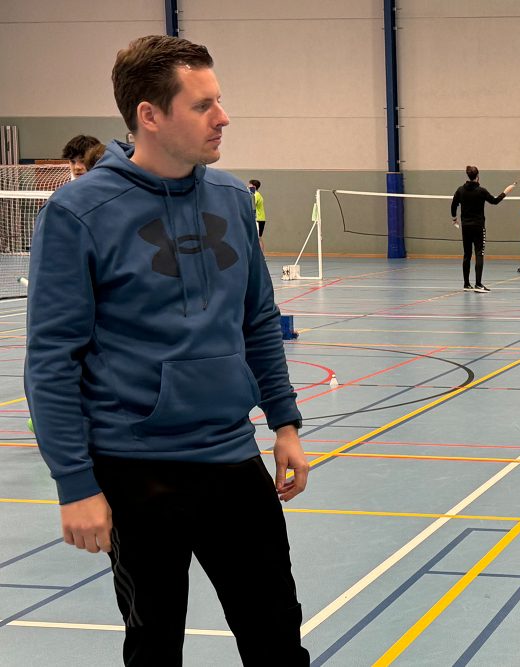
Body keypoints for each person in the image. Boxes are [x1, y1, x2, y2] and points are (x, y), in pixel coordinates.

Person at [25, 35, 310, 665]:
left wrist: (284, 422)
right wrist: (75, 485)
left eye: (220, 101)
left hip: (233, 458)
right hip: (136, 471)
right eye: (203, 104)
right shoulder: (80, 213)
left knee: (276, 637)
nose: (223, 117)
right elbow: (51, 361)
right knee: (155, 645)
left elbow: (258, 320)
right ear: (150, 116)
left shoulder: (233, 199)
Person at [450, 165, 515, 292]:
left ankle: (466, 284)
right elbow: (495, 201)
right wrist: (506, 191)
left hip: (466, 227)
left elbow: (453, 206)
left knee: (467, 254)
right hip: (478, 227)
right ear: (478, 176)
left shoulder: (460, 190)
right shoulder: (481, 191)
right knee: (479, 253)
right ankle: (478, 284)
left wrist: (454, 219)